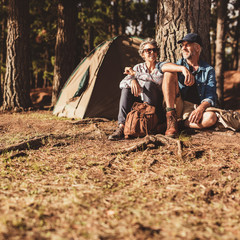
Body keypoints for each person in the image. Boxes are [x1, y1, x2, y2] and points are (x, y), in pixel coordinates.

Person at [108, 38, 166, 140]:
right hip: (140, 104)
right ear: (142, 54)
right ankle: (121, 127)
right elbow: (121, 84)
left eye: (154, 50)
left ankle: (149, 125)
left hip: (155, 106)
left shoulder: (161, 67)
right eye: (148, 50)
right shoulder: (138, 67)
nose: (152, 52)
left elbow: (157, 80)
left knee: (149, 84)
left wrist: (136, 75)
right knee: (126, 90)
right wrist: (132, 80)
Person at [161, 33, 218, 137]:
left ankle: (181, 124)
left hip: (194, 108)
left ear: (197, 48)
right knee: (168, 72)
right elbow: (161, 67)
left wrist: (200, 109)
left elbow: (211, 95)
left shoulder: (208, 70)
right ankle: (171, 120)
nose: (183, 48)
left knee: (211, 118)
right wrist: (182, 69)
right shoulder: (179, 64)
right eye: (182, 45)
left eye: (187, 45)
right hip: (177, 105)